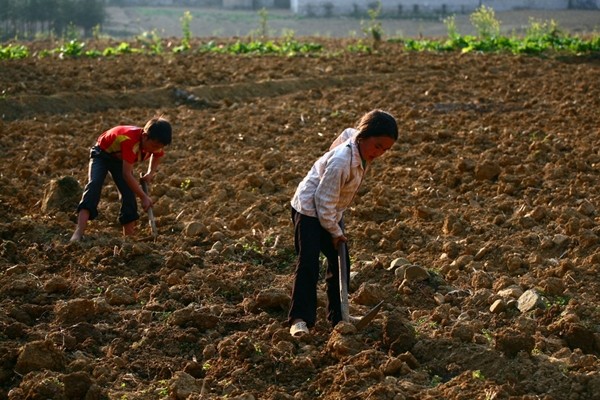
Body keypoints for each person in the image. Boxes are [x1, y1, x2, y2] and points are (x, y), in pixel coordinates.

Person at [288, 109, 398, 337]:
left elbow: (347, 132)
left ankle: (339, 317)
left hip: (331, 210)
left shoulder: (357, 144)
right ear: (365, 136)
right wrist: (335, 232)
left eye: (385, 150)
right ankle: (299, 319)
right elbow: (322, 201)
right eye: (378, 146)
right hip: (309, 209)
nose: (380, 153)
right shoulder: (341, 162)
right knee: (309, 262)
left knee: (341, 261)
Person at [70, 116, 172, 241]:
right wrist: (144, 197)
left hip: (120, 160)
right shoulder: (129, 140)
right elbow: (127, 174)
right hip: (102, 154)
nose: (155, 149)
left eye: (159, 146)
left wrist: (150, 173)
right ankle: (79, 232)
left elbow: (157, 155)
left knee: (128, 194)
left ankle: (128, 238)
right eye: (154, 145)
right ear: (145, 136)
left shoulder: (155, 141)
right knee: (94, 185)